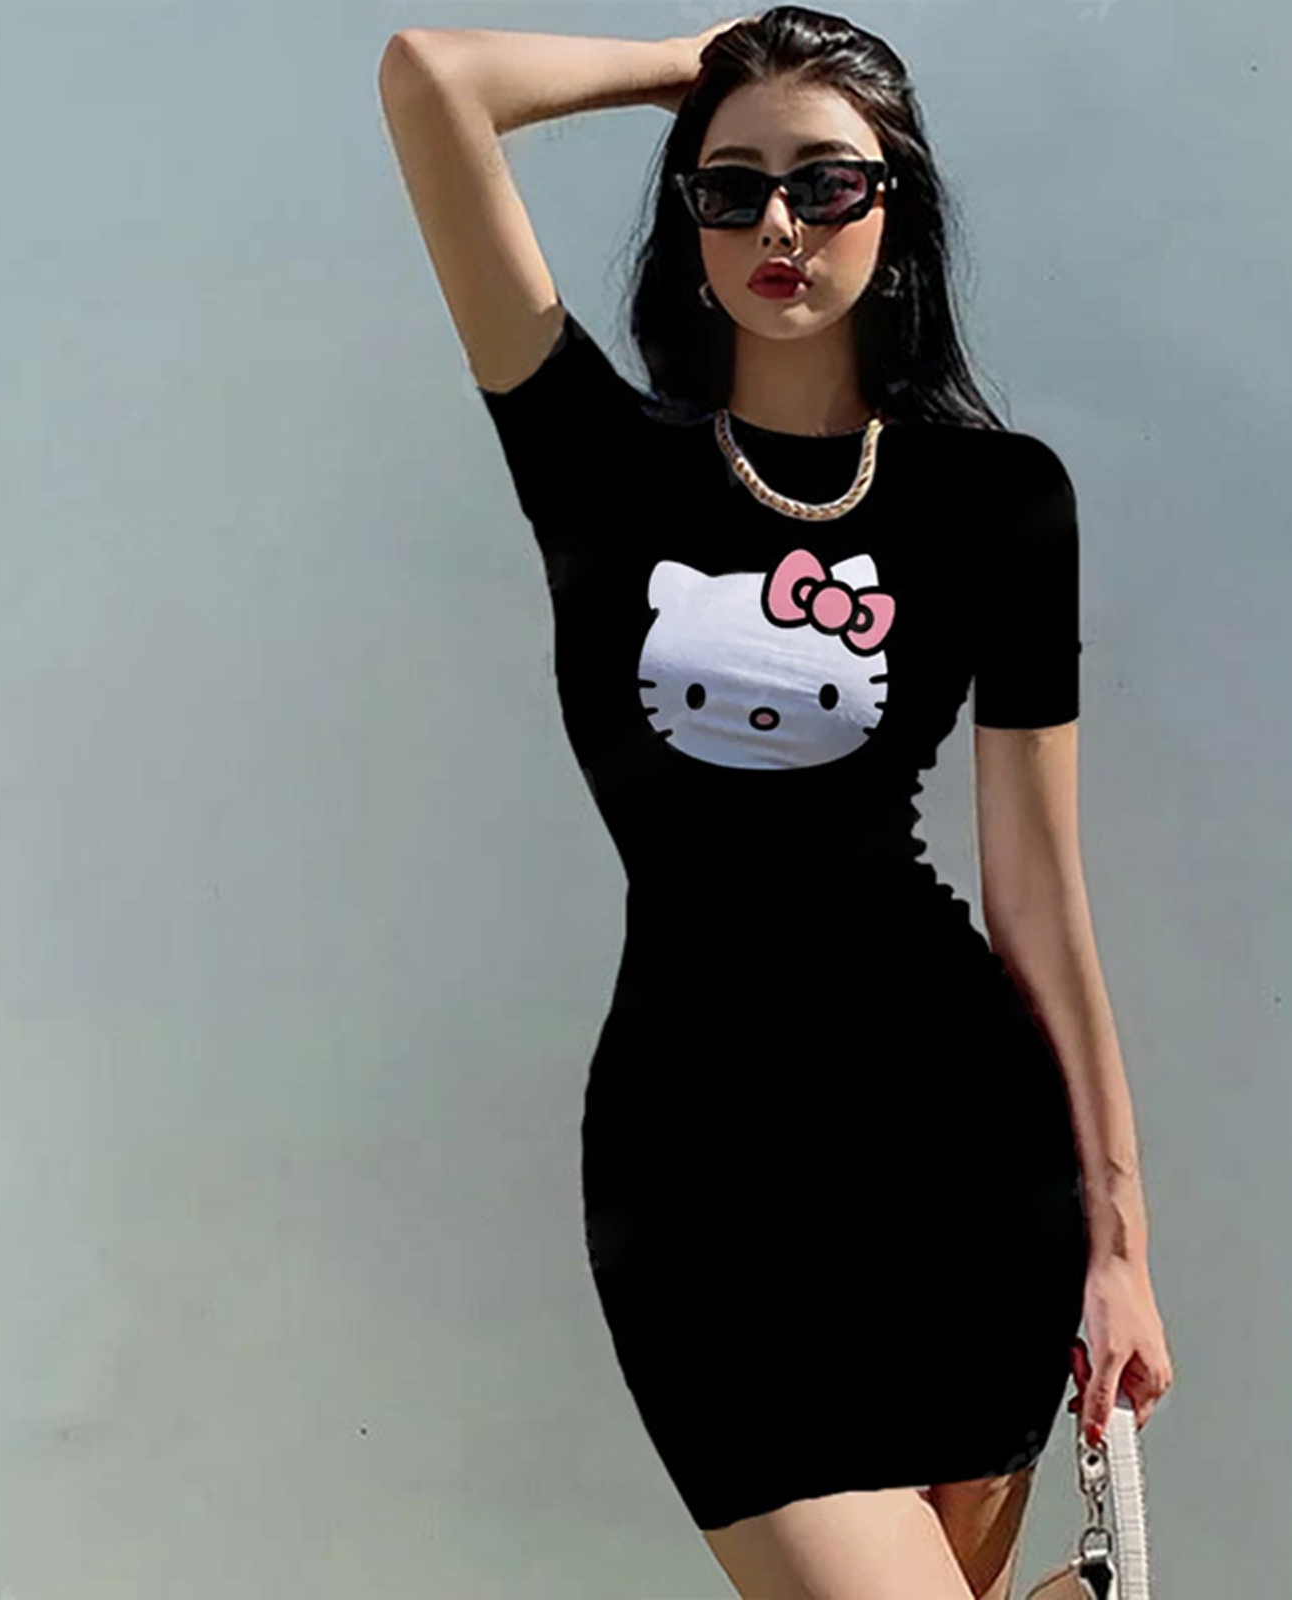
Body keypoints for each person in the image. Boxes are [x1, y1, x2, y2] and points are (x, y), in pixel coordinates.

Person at [378, 9, 1172, 1597]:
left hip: (966, 1163)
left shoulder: (1001, 501)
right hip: (701, 1178)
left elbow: (1038, 895)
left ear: (899, 203)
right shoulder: (594, 457)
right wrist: (695, 63)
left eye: (827, 182)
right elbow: (431, 79)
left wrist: (1119, 1246)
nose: (779, 225)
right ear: (689, 216)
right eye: (731, 189)